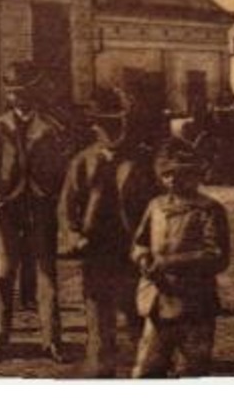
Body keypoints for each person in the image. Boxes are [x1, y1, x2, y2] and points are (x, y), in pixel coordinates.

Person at [60, 87, 159, 377]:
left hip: (130, 245)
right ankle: (101, 366)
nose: (110, 130)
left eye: (116, 123)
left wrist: (151, 243)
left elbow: (157, 204)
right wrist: (74, 236)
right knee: (98, 309)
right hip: (96, 247)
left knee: (134, 307)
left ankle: (140, 365)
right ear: (94, 127)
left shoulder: (141, 160)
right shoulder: (83, 161)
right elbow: (67, 207)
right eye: (103, 124)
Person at [0, 60, 70, 364]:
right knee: (2, 275)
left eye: (22, 91)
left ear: (33, 93)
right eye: (12, 91)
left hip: (41, 210)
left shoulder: (51, 128)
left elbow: (61, 172)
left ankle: (52, 341)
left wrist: (52, 199)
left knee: (47, 276)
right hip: (7, 211)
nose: (16, 97)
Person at [131, 144, 231, 378]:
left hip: (194, 302)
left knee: (192, 369)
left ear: (196, 176)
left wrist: (168, 263)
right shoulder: (155, 206)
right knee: (146, 370)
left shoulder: (209, 210)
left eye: (181, 174)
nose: (173, 180)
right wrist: (143, 257)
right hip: (157, 299)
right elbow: (140, 241)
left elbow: (217, 255)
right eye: (167, 174)